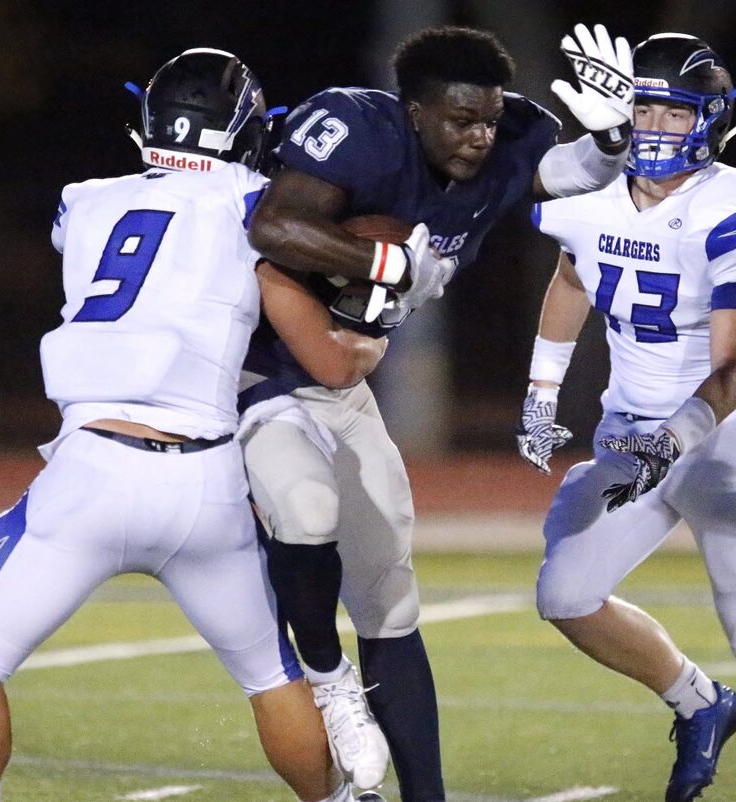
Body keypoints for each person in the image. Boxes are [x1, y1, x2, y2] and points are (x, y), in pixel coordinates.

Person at [241, 23, 635, 802]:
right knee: (306, 511)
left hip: (345, 383)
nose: (479, 137)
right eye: (459, 120)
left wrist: (616, 140)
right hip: (264, 375)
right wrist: (385, 263)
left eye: (488, 119)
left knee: (391, 596)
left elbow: (570, 173)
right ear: (414, 110)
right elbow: (275, 226)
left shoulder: (507, 141)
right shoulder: (359, 131)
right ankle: (326, 676)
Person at [0, 48, 385, 802]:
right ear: (248, 131)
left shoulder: (83, 200)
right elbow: (305, 274)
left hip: (91, 477)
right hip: (208, 482)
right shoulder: (261, 206)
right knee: (272, 678)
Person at [517, 32, 736, 802]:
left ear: (712, 121)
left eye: (673, 112)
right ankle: (699, 703)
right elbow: (569, 280)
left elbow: (735, 366)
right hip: (626, 430)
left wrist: (674, 437)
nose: (655, 127)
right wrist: (540, 394)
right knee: (565, 596)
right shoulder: (591, 200)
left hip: (715, 442)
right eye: (644, 108)